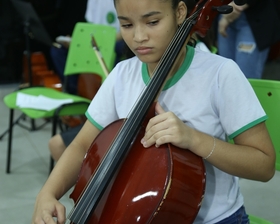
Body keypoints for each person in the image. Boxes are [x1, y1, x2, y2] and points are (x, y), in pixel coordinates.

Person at [32, 0, 276, 223]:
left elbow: (263, 165)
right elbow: (83, 145)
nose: (139, 36)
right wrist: (48, 193)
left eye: (152, 22)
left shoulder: (220, 74)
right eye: (126, 25)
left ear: (180, 13)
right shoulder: (121, 75)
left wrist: (194, 139)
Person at [50, 0, 126, 94]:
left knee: (118, 48)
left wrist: (104, 40)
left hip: (115, 40)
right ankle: (74, 90)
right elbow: (89, 26)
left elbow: (127, 28)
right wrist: (77, 39)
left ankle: (107, 91)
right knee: (58, 49)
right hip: (94, 40)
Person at [217, 0, 280, 79]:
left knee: (246, 78)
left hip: (255, 15)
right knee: (223, 75)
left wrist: (236, 7)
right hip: (224, 13)